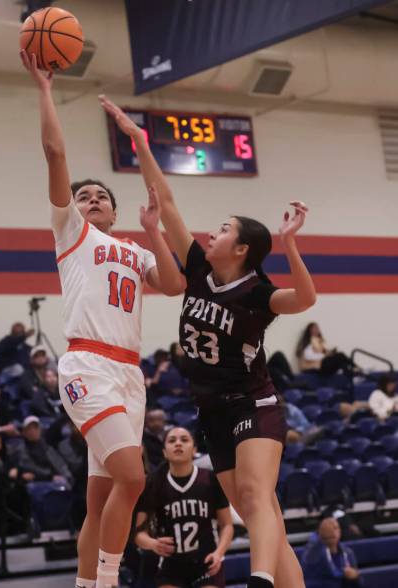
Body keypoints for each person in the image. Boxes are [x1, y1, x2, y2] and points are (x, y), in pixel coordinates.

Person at [100, 95, 317, 588]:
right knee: (264, 518)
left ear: (241, 249)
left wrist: (290, 243)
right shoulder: (198, 267)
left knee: (258, 498)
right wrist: (138, 142)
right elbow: (167, 200)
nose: (211, 233)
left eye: (223, 229)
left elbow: (305, 299)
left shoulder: (258, 293)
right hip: (211, 412)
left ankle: (259, 580)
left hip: (254, 402)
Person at [20, 49, 185, 588]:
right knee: (133, 477)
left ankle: (85, 582)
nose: (90, 199)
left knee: (100, 499)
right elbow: (53, 152)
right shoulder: (72, 232)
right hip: (88, 364)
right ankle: (110, 580)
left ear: (114, 212)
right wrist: (45, 89)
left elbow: (178, 285)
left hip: (129, 376)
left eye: (100, 196)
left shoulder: (136, 252)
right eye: (83, 195)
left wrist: (155, 229)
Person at [135, 427, 234, 588]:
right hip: (171, 567)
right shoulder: (153, 484)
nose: (178, 444)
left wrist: (219, 553)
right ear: (164, 452)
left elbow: (227, 525)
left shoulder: (210, 480)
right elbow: (138, 533)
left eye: (184, 440)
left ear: (194, 450)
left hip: (206, 563)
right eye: (172, 441)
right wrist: (153, 544)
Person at [301, 517, 363, 587]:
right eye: (328, 529)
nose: (332, 531)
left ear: (340, 531)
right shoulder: (312, 551)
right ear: (320, 531)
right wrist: (322, 539)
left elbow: (356, 576)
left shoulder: (347, 552)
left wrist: (354, 575)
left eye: (335, 528)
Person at [12, 415, 72, 486]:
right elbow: (30, 466)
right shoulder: (21, 448)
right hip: (40, 480)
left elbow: (59, 463)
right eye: (29, 428)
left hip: (56, 478)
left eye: (36, 428)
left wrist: (67, 476)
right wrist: (50, 476)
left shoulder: (47, 447)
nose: (33, 431)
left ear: (40, 429)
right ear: (24, 432)